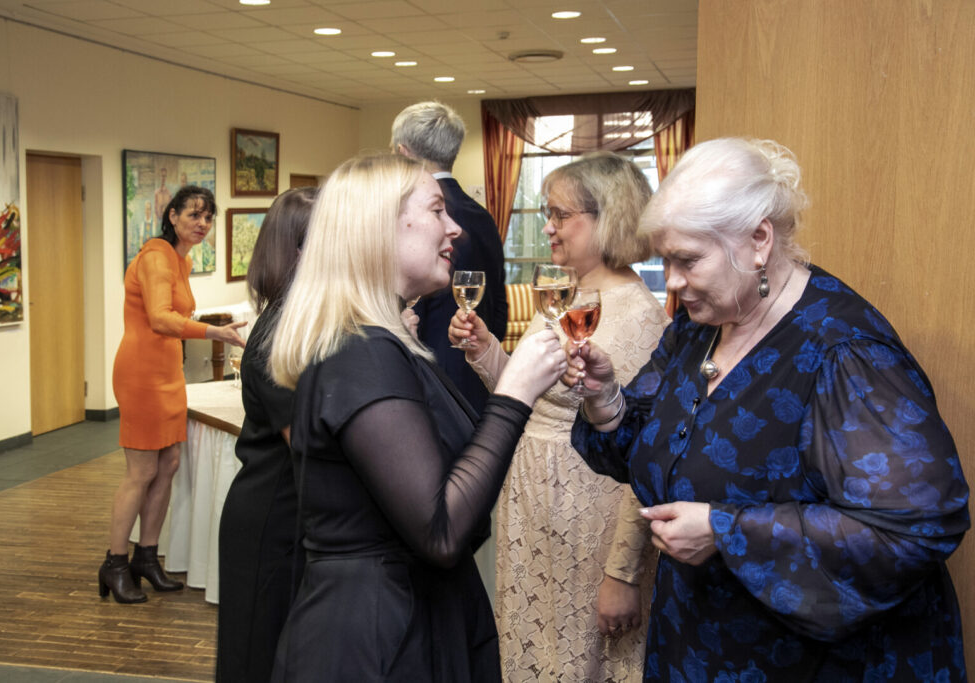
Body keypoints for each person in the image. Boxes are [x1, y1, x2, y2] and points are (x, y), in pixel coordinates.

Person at [567, 138, 970, 681]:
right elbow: (641, 450)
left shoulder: (844, 350)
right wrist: (604, 398)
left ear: (759, 240)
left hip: (812, 664)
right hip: (696, 640)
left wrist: (725, 530)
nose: (675, 282)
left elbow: (916, 528)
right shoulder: (698, 326)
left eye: (688, 260)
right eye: (666, 260)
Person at [267, 153, 566, 680]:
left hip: (405, 615)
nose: (454, 228)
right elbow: (441, 531)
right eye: (436, 210)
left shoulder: (376, 342)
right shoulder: (362, 351)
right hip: (378, 637)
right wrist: (513, 393)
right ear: (380, 227)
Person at [449, 152, 669, 681]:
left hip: (589, 518)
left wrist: (623, 571)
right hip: (534, 508)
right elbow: (535, 396)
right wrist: (485, 349)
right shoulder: (570, 296)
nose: (548, 227)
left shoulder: (640, 316)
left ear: (608, 218)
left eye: (560, 215)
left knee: (581, 661)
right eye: (548, 213)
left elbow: (645, 456)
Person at [100, 186, 247, 604]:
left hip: (167, 372)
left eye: (208, 217)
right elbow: (160, 319)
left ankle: (146, 558)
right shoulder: (156, 256)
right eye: (194, 215)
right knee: (141, 472)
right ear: (172, 216)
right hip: (141, 374)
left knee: (169, 464)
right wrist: (215, 332)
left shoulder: (182, 259)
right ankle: (115, 563)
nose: (202, 224)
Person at [216, 187, 318, 681]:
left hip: (289, 514)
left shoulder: (298, 321)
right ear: (298, 250)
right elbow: (308, 446)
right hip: (270, 522)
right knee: (255, 659)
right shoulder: (279, 336)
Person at [391, 101, 507, 414]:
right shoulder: (483, 216)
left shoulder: (404, 218)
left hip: (431, 383)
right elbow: (499, 303)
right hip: (482, 374)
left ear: (403, 153)